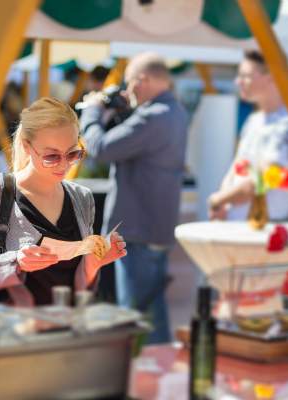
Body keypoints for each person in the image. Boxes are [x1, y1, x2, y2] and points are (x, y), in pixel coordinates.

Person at [0, 97, 127, 306]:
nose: (64, 165)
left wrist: (93, 264)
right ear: (27, 146)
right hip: (9, 333)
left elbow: (77, 287)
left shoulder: (81, 197)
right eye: (51, 156)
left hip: (67, 330)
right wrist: (15, 263)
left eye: (73, 154)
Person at [79, 52, 188, 344]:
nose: (128, 92)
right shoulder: (173, 112)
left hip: (138, 232)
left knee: (135, 319)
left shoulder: (153, 117)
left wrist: (91, 111)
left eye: (129, 85)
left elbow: (100, 147)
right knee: (152, 314)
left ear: (143, 80)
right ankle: (160, 380)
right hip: (153, 229)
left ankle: (145, 382)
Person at [207, 50, 288, 222]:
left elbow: (262, 182)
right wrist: (222, 200)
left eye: (245, 76)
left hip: (263, 231)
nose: (238, 81)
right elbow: (237, 166)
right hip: (239, 227)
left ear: (271, 77)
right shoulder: (255, 120)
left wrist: (219, 199)